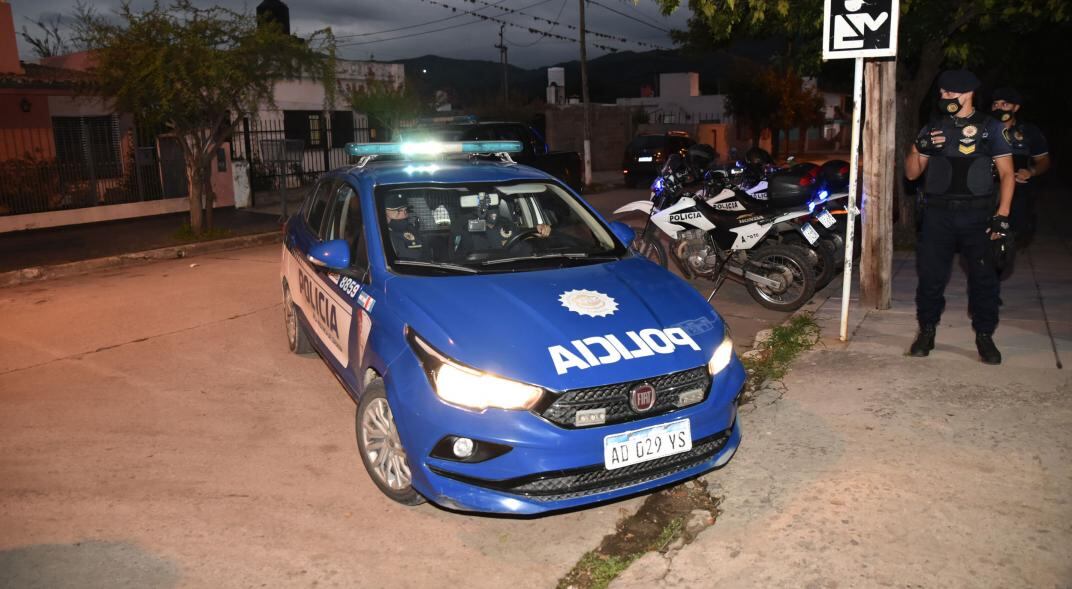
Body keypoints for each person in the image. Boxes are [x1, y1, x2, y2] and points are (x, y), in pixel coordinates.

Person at [904, 69, 1015, 365]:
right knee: (930, 278)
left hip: (978, 215)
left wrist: (1001, 217)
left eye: (950, 93)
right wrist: (918, 149)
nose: (944, 97)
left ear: (968, 94)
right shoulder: (933, 127)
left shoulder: (991, 128)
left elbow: (1007, 175)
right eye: (941, 93)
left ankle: (984, 336)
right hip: (937, 215)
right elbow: (912, 173)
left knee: (984, 280)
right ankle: (926, 331)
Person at [990, 87, 1051, 245]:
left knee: (1012, 234)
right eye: (995, 104)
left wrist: (1031, 171)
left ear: (1016, 107)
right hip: (985, 188)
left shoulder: (1029, 131)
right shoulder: (981, 129)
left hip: (1016, 190)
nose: (999, 108)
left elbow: (1044, 160)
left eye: (1005, 104)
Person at [383, 193, 430, 261]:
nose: (405, 213)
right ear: (384, 212)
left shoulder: (411, 228)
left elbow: (424, 254)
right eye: (398, 211)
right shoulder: (379, 233)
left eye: (406, 209)